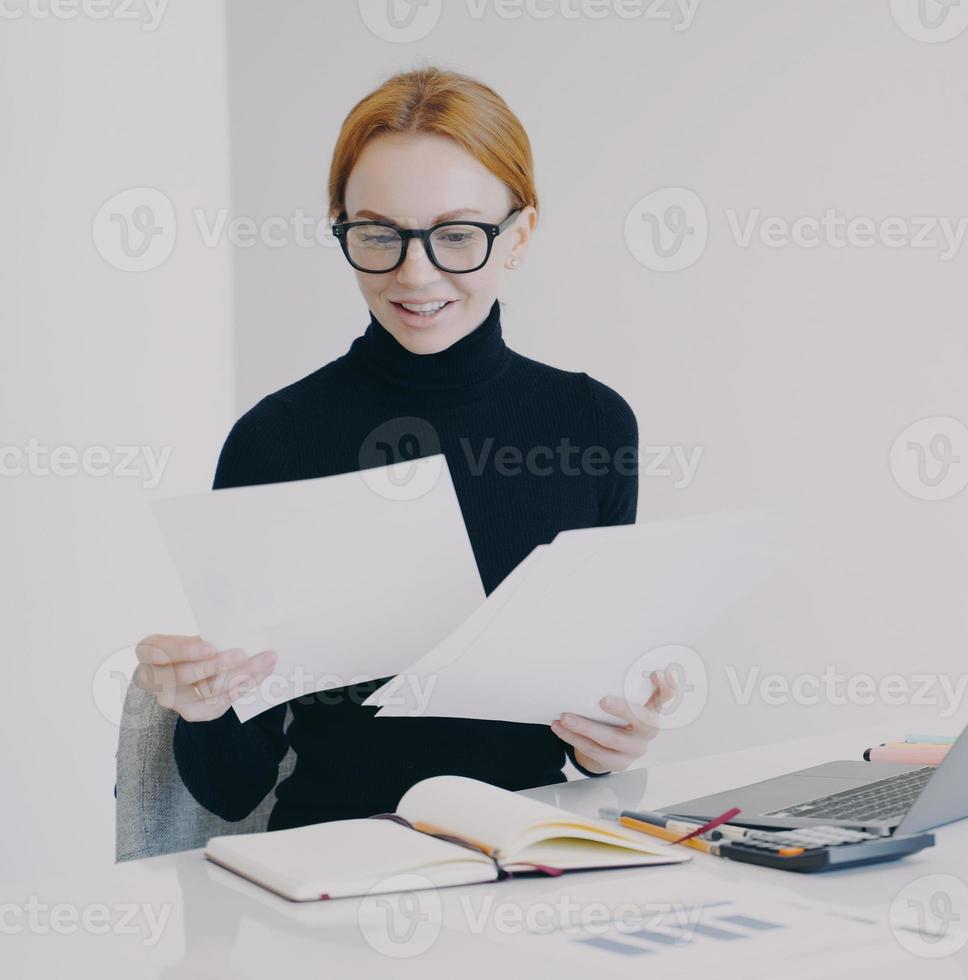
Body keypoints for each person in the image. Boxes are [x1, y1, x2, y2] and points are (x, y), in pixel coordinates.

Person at [131, 66, 675, 831]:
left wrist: (610, 746)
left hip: (533, 855)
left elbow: (585, 729)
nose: (415, 275)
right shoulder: (275, 440)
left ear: (520, 234)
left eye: (457, 235)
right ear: (343, 226)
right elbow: (231, 790)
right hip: (331, 864)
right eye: (380, 234)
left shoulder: (591, 423)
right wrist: (204, 709)